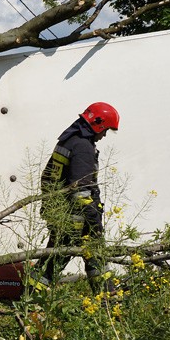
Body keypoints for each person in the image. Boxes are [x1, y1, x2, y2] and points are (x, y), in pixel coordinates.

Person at [39, 102, 120, 290]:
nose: (105, 135)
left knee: (53, 259)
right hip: (76, 217)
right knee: (68, 258)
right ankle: (107, 299)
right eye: (105, 130)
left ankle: (32, 293)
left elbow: (48, 177)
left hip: (61, 212)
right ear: (98, 125)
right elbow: (81, 190)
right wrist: (94, 221)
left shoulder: (68, 141)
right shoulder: (83, 147)